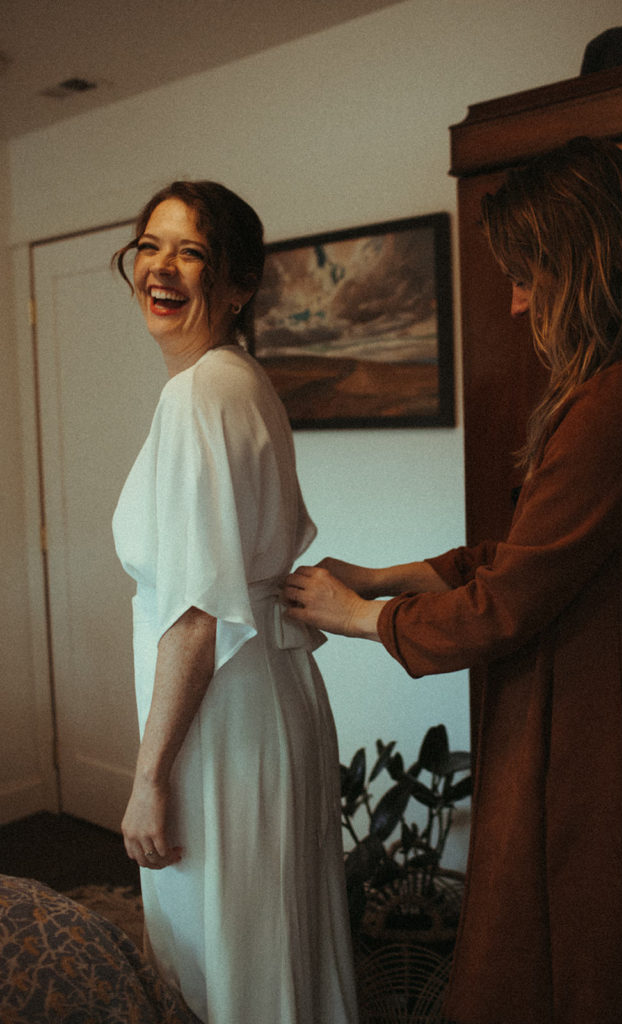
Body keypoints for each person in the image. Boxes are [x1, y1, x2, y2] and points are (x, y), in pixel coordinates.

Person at [285, 137, 622, 1024]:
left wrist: (354, 616)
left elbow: (508, 600)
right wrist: (382, 576)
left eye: (525, 274)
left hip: (588, 736)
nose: (512, 300)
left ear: (579, 266)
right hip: (580, 712)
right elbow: (521, 551)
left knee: (582, 962)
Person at [111, 180, 358, 1024]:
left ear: (238, 284)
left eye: (191, 251)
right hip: (264, 701)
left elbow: (195, 613)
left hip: (223, 716)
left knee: (225, 953)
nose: (162, 267)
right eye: (149, 246)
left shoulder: (198, 395)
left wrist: (149, 779)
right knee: (270, 937)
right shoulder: (238, 381)